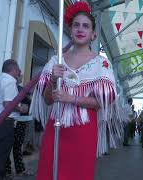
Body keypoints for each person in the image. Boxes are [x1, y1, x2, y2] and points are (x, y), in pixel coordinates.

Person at [29, 2, 123, 180]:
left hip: (83, 131)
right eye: (76, 25)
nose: (80, 29)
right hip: (55, 127)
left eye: (86, 26)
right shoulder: (56, 60)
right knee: (50, 172)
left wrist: (71, 98)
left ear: (93, 34)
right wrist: (53, 80)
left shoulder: (100, 64)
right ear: (70, 30)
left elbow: (104, 102)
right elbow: (48, 99)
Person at [0, 59, 28, 180]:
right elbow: (8, 104)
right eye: (18, 70)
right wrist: (21, 108)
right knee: (0, 157)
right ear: (13, 70)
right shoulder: (9, 81)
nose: (19, 72)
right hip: (4, 124)